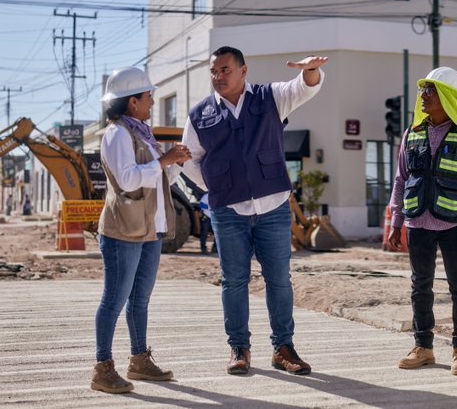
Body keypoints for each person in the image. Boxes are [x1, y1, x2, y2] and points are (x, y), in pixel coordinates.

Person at [182, 46, 328, 376]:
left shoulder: (269, 97)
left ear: (243, 71)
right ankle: (239, 348)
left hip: (274, 206)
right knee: (234, 281)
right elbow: (189, 158)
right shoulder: (200, 114)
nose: (218, 76)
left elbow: (303, 88)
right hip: (228, 211)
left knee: (279, 280)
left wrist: (309, 71)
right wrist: (215, 185)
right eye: (214, 71)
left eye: (225, 70)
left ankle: (283, 348)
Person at [91, 66, 192, 394]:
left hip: (147, 230)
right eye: (148, 96)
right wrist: (163, 161)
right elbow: (129, 179)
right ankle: (103, 368)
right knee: (114, 300)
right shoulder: (117, 134)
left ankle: (139, 360)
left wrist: (174, 163)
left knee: (140, 300)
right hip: (123, 231)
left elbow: (156, 178)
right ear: (132, 101)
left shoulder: (141, 134)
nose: (152, 101)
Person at [388, 67, 457, 376]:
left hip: (455, 225)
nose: (423, 95)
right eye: (422, 90)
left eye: (430, 91)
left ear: (447, 97)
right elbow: (402, 178)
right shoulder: (412, 132)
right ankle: (424, 347)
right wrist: (396, 219)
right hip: (418, 222)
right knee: (420, 286)